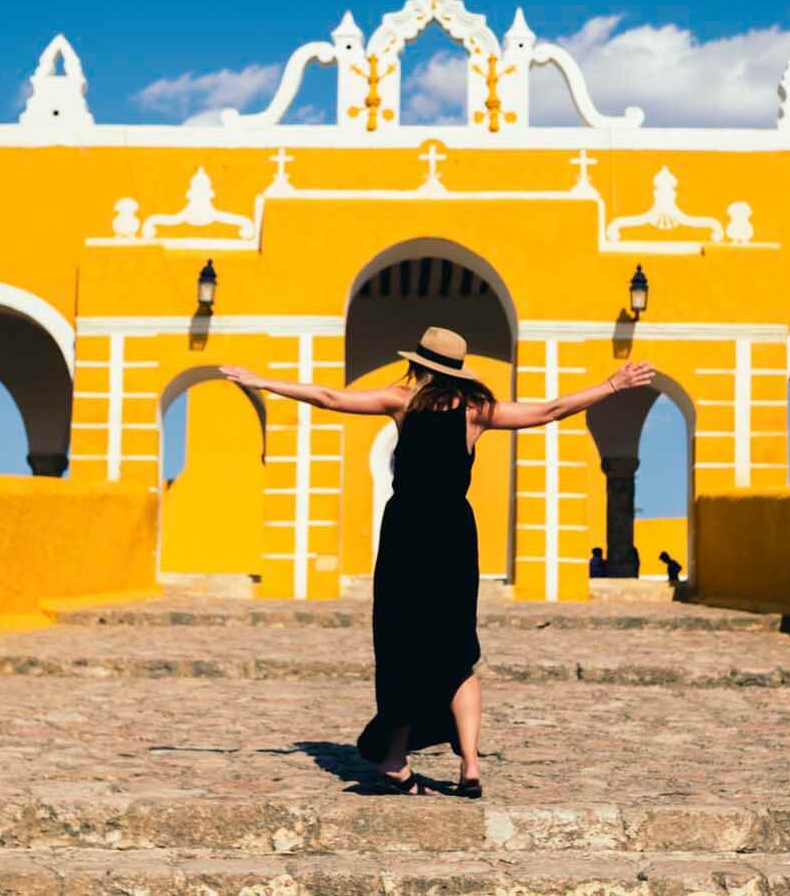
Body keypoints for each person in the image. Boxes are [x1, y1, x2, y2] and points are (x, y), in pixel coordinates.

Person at [221, 326, 654, 797]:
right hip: (453, 537)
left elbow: (327, 397)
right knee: (457, 652)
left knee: (401, 645)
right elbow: (549, 411)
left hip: (407, 533)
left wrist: (262, 381)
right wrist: (611, 385)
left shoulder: (402, 402)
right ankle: (470, 767)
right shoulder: (475, 412)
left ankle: (393, 757)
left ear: (420, 365)